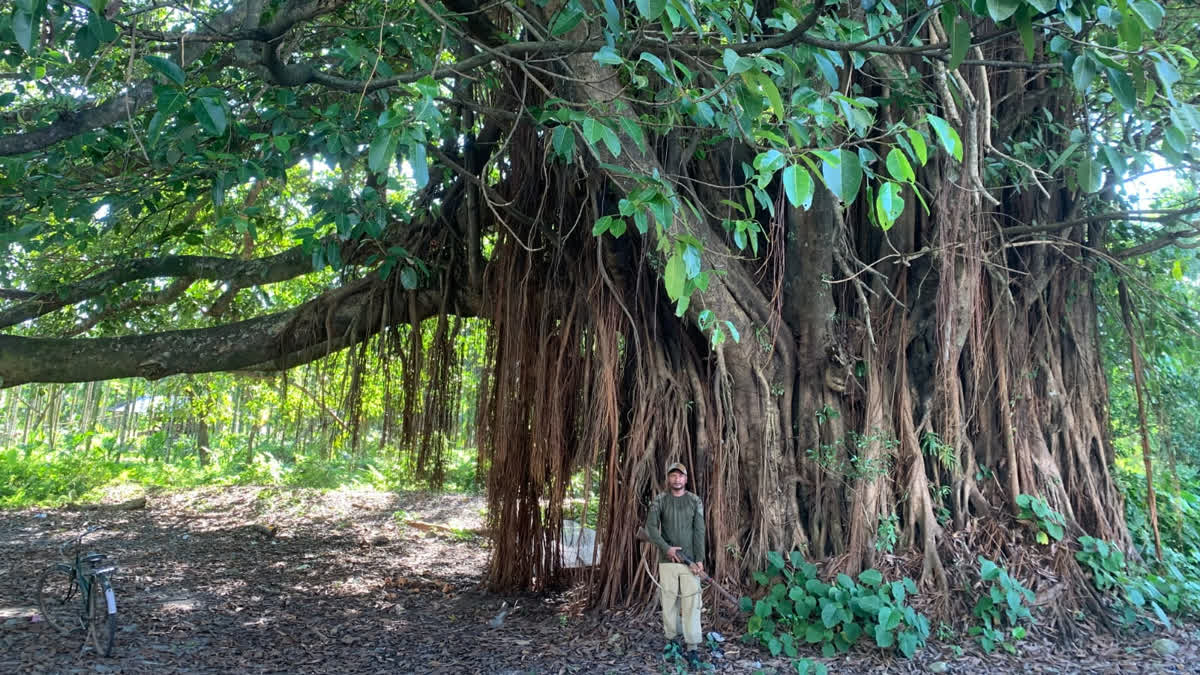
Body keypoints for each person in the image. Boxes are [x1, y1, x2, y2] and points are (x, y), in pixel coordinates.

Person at [646, 462, 706, 666]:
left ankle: (692, 647)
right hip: (668, 561)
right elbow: (651, 528)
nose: (677, 479)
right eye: (673, 476)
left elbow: (699, 531)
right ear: (668, 479)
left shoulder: (694, 501)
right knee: (669, 602)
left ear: (686, 479)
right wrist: (667, 549)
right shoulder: (660, 500)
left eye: (680, 476)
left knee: (692, 603)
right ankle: (672, 641)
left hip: (690, 562)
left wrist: (699, 559)